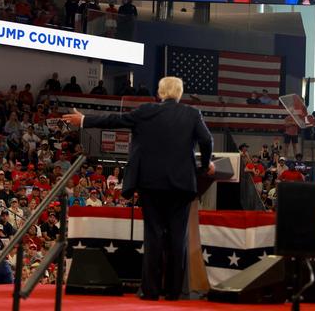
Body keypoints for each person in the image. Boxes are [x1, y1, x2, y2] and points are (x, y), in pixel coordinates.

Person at [62, 77, 214, 301]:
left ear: (160, 93)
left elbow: (115, 120)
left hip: (150, 184)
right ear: (180, 94)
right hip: (181, 185)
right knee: (177, 238)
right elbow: (206, 140)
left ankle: (151, 291)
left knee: (153, 236)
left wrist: (84, 120)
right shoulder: (192, 114)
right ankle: (174, 292)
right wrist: (205, 165)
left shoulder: (146, 111)